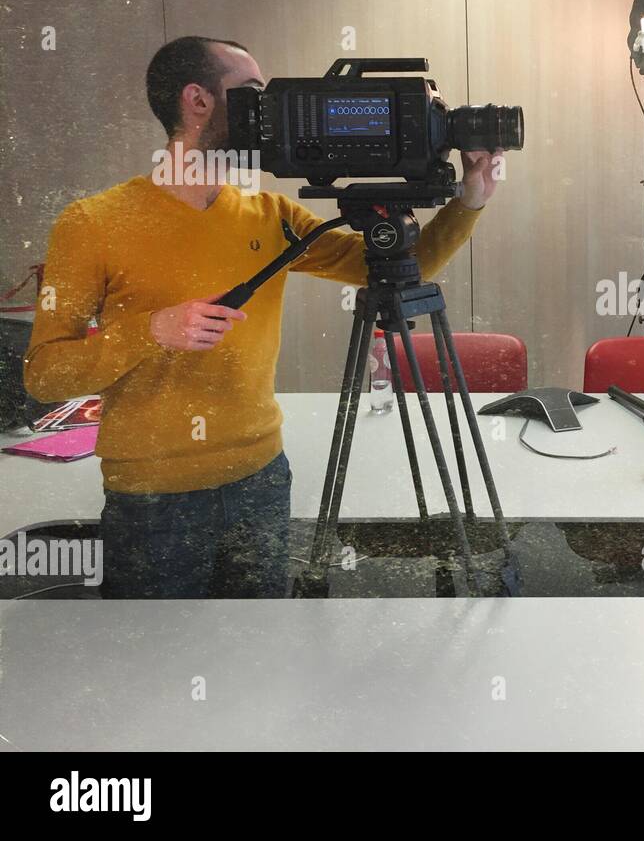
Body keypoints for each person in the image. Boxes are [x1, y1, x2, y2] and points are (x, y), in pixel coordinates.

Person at [24, 35, 498, 598]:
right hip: (151, 497)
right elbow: (45, 375)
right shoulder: (93, 223)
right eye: (251, 94)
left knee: (262, 655)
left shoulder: (270, 214)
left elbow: (396, 265)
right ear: (197, 101)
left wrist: (468, 200)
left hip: (262, 480)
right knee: (156, 670)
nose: (269, 110)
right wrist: (150, 330)